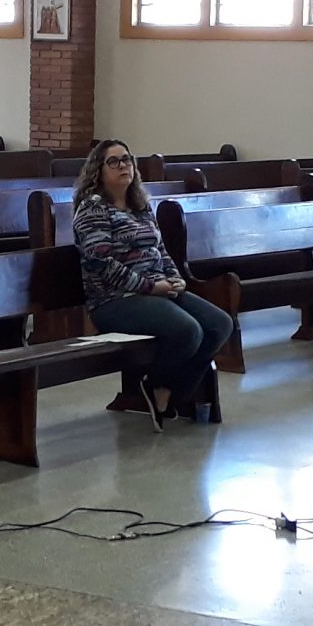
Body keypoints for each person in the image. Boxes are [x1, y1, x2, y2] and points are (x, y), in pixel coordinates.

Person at [72, 139, 231, 425]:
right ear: (98, 170)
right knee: (188, 330)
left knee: (220, 324)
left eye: (126, 159)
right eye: (114, 161)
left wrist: (175, 278)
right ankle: (154, 386)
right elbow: (100, 263)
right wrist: (150, 287)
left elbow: (160, 250)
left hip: (157, 291)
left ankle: (170, 392)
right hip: (114, 301)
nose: (123, 165)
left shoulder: (140, 205)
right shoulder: (93, 209)